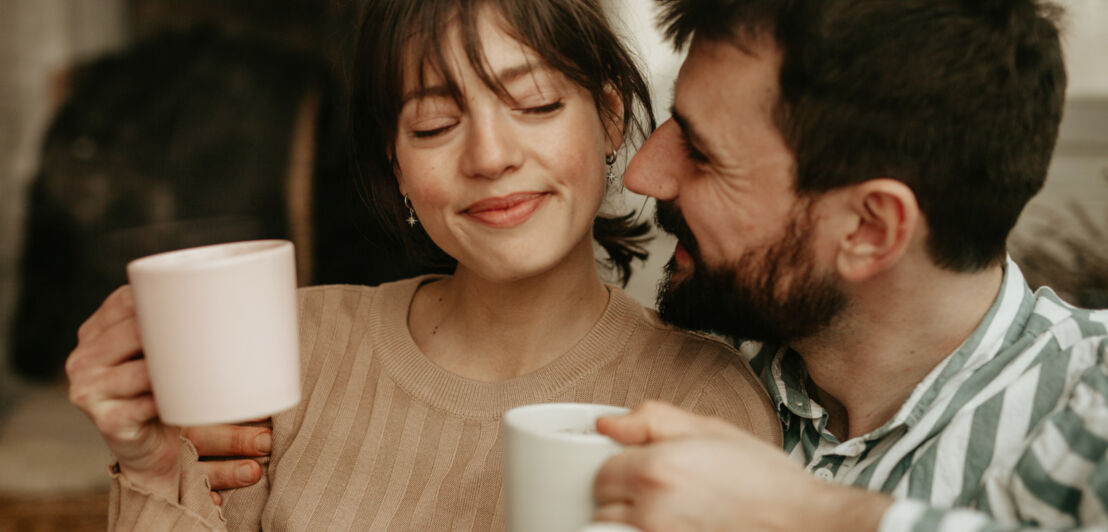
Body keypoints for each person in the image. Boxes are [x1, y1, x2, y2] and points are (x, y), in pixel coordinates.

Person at [64, 0, 782, 529]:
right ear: (397, 165)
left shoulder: (702, 401)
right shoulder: (295, 350)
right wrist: (155, 468)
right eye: (435, 124)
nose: (491, 157)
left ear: (610, 117)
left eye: (533, 103)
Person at [587, 0, 1108, 531]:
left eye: (701, 152)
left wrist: (801, 514)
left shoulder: (1092, 408)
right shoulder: (693, 370)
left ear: (870, 229)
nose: (643, 174)